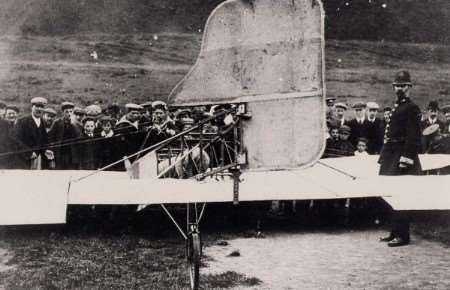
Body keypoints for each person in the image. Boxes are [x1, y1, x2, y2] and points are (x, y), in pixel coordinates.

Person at [378, 70, 422, 247]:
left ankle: (403, 236)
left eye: (403, 85)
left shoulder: (412, 108)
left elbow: (414, 137)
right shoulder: (398, 106)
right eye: (397, 85)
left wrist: (406, 158)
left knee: (402, 197)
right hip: (392, 156)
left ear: (409, 87)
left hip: (402, 157)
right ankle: (394, 232)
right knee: (392, 195)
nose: (399, 89)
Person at [10, 97, 54, 169]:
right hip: (23, 160)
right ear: (32, 107)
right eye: (37, 106)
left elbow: (44, 140)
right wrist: (29, 153)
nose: (39, 109)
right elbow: (15, 139)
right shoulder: (22, 121)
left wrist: (47, 149)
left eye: (41, 107)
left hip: (38, 160)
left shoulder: (42, 122)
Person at [49, 102, 81, 170]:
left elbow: (79, 137)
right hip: (60, 154)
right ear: (63, 112)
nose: (69, 114)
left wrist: (73, 124)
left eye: (71, 111)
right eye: (66, 112)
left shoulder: (77, 124)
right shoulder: (57, 123)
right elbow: (50, 137)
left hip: (73, 155)